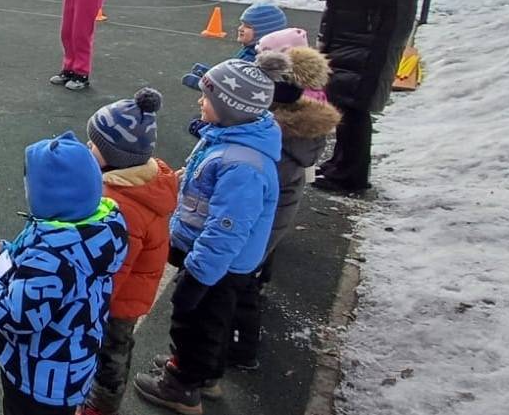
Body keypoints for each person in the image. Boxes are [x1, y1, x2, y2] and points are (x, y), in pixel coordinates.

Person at [0, 131, 128, 415]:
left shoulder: (52, 252)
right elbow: (31, 283)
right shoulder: (91, 231)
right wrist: (1, 256)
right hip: (70, 366)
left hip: (39, 379)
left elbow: (17, 313)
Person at [134, 59, 280, 413]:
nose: (200, 102)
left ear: (231, 108)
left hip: (217, 264)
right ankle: (205, 374)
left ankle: (182, 386)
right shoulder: (229, 137)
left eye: (207, 98)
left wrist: (198, 275)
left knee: (194, 322)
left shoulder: (242, 165)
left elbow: (225, 231)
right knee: (212, 321)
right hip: (213, 258)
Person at [299, 0, 428, 194]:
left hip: (374, 40)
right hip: (343, 34)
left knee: (357, 106)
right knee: (341, 100)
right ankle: (338, 165)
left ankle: (352, 177)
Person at [225, 49, 340, 371]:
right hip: (266, 227)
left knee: (238, 288)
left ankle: (237, 350)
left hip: (251, 233)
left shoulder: (273, 145)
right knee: (249, 279)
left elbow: (247, 196)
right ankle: (237, 342)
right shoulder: (288, 137)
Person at [80, 88, 178, 415]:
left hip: (116, 301)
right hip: (124, 294)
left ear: (113, 155)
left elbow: (115, 268)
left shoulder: (122, 207)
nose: (87, 148)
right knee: (113, 349)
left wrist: (93, 304)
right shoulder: (136, 182)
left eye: (93, 144)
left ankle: (101, 406)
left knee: (110, 353)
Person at [182, 3, 287, 90]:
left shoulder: (255, 61)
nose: (240, 28)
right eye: (241, 24)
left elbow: (238, 89)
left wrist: (205, 84)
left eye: (248, 26)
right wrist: (211, 73)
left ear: (264, 33)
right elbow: (232, 75)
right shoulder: (250, 50)